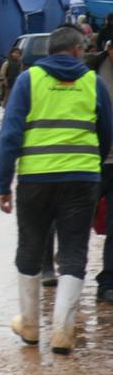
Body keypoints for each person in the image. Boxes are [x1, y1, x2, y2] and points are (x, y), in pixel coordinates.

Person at [0, 25, 112, 355]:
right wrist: (92, 166)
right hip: (82, 178)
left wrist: (3, 184)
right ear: (78, 50)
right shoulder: (93, 82)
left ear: (49, 51)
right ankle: (63, 332)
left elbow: (9, 136)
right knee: (75, 250)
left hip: (36, 179)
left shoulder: (28, 80)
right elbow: (107, 133)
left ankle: (31, 327)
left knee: (30, 246)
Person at [87, 40, 113, 302]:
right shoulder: (90, 72)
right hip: (90, 162)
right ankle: (70, 272)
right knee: (77, 222)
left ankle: (107, 284)